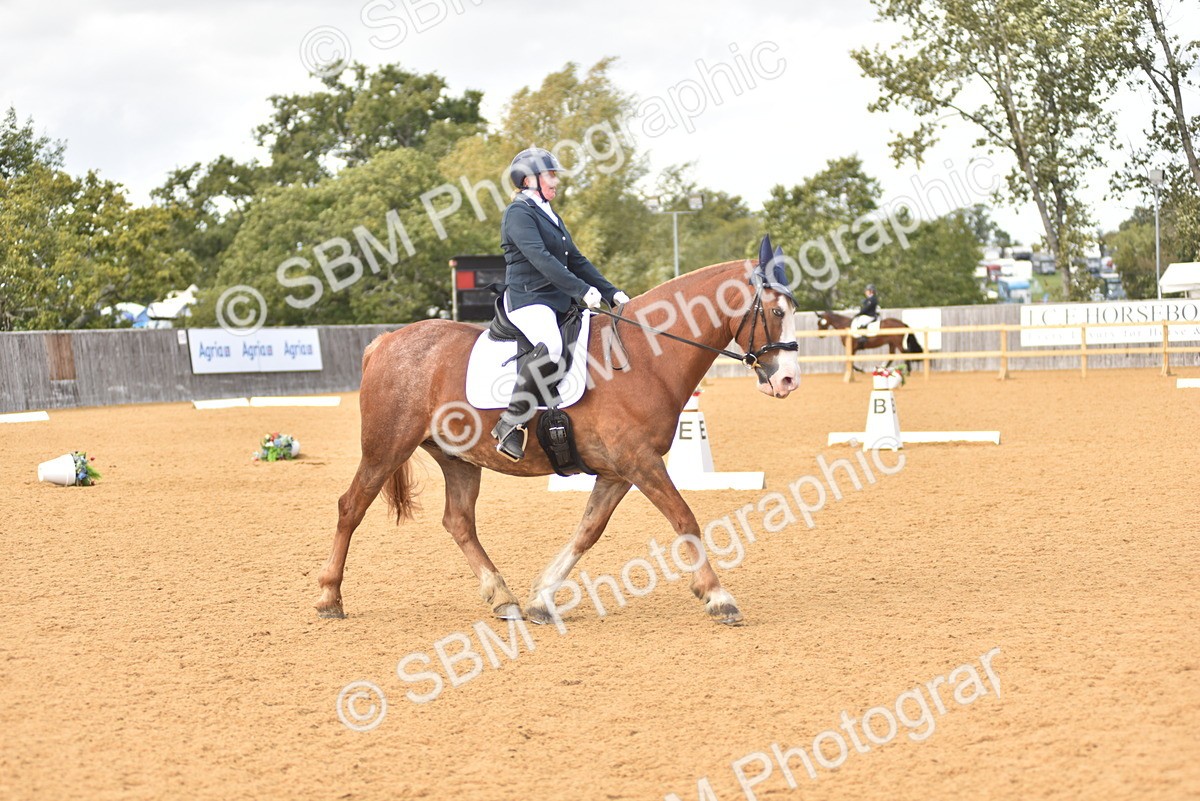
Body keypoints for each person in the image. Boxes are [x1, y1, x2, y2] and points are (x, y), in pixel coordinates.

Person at [491, 147, 630, 461]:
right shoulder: (518, 213)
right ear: (529, 179)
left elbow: (576, 260)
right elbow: (540, 259)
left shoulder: (548, 212)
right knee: (551, 345)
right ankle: (510, 422)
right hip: (529, 298)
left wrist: (611, 293)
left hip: (558, 299)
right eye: (550, 175)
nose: (555, 181)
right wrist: (581, 290)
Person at [851, 284, 879, 349]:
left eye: (867, 291)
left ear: (871, 291)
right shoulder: (868, 299)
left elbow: (866, 308)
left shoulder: (872, 299)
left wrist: (860, 313)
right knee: (859, 320)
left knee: (861, 322)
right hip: (867, 315)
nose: (865, 292)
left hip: (870, 315)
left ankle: (863, 337)